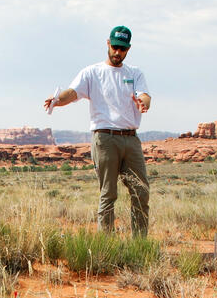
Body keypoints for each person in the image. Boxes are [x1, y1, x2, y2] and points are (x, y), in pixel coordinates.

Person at [43, 26, 151, 237]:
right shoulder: (92, 73)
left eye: (123, 49)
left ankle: (140, 245)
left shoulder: (135, 73)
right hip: (105, 139)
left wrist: (143, 102)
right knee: (108, 193)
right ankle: (106, 245)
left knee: (141, 192)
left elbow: (145, 95)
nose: (118, 53)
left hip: (130, 139)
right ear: (108, 44)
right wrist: (57, 101)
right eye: (116, 47)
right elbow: (73, 92)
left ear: (128, 49)